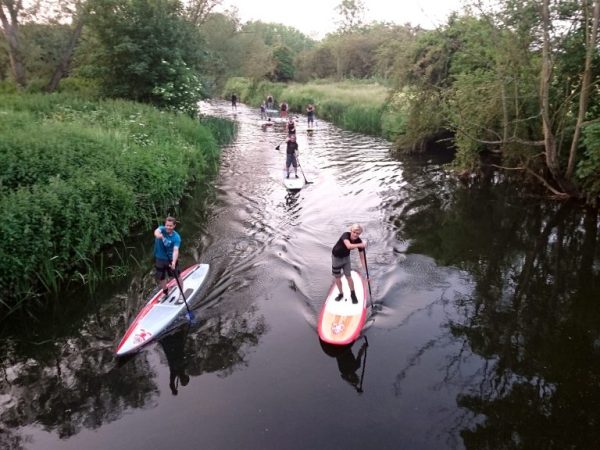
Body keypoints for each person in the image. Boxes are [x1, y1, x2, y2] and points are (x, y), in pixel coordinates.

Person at [331, 224, 367, 304]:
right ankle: (341, 294)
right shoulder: (345, 235)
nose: (355, 235)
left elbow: (362, 257)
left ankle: (353, 294)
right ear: (351, 231)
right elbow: (349, 246)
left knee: (349, 276)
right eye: (354, 232)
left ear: (360, 234)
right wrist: (361, 245)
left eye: (358, 234)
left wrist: (365, 271)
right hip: (336, 258)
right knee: (337, 277)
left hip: (346, 258)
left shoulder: (359, 241)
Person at [154, 216, 183, 302]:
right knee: (161, 277)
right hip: (159, 259)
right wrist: (159, 236)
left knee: (177, 276)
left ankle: (181, 294)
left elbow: (175, 250)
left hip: (170, 260)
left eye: (170, 226)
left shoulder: (176, 237)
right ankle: (165, 293)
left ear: (174, 226)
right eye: (167, 225)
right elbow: (156, 232)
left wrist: (174, 262)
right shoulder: (161, 229)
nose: (168, 227)